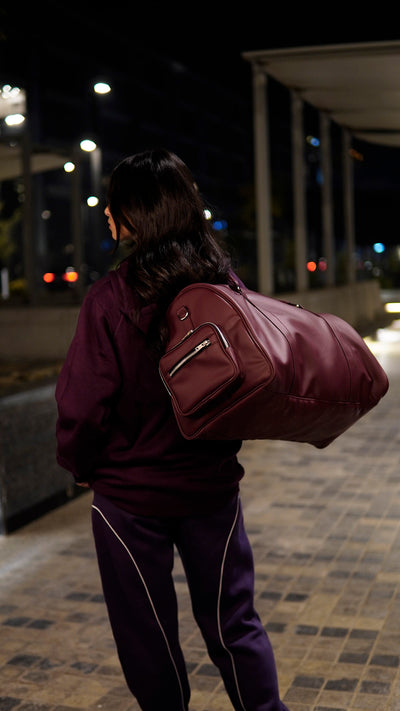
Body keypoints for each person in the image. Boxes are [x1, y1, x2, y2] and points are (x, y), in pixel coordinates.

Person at [55, 148, 289, 711]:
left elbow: (84, 406)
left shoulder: (110, 299)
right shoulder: (222, 286)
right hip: (210, 486)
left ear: (132, 215)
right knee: (234, 623)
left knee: (147, 635)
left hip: (130, 498)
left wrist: (81, 466)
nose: (107, 216)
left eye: (113, 207)